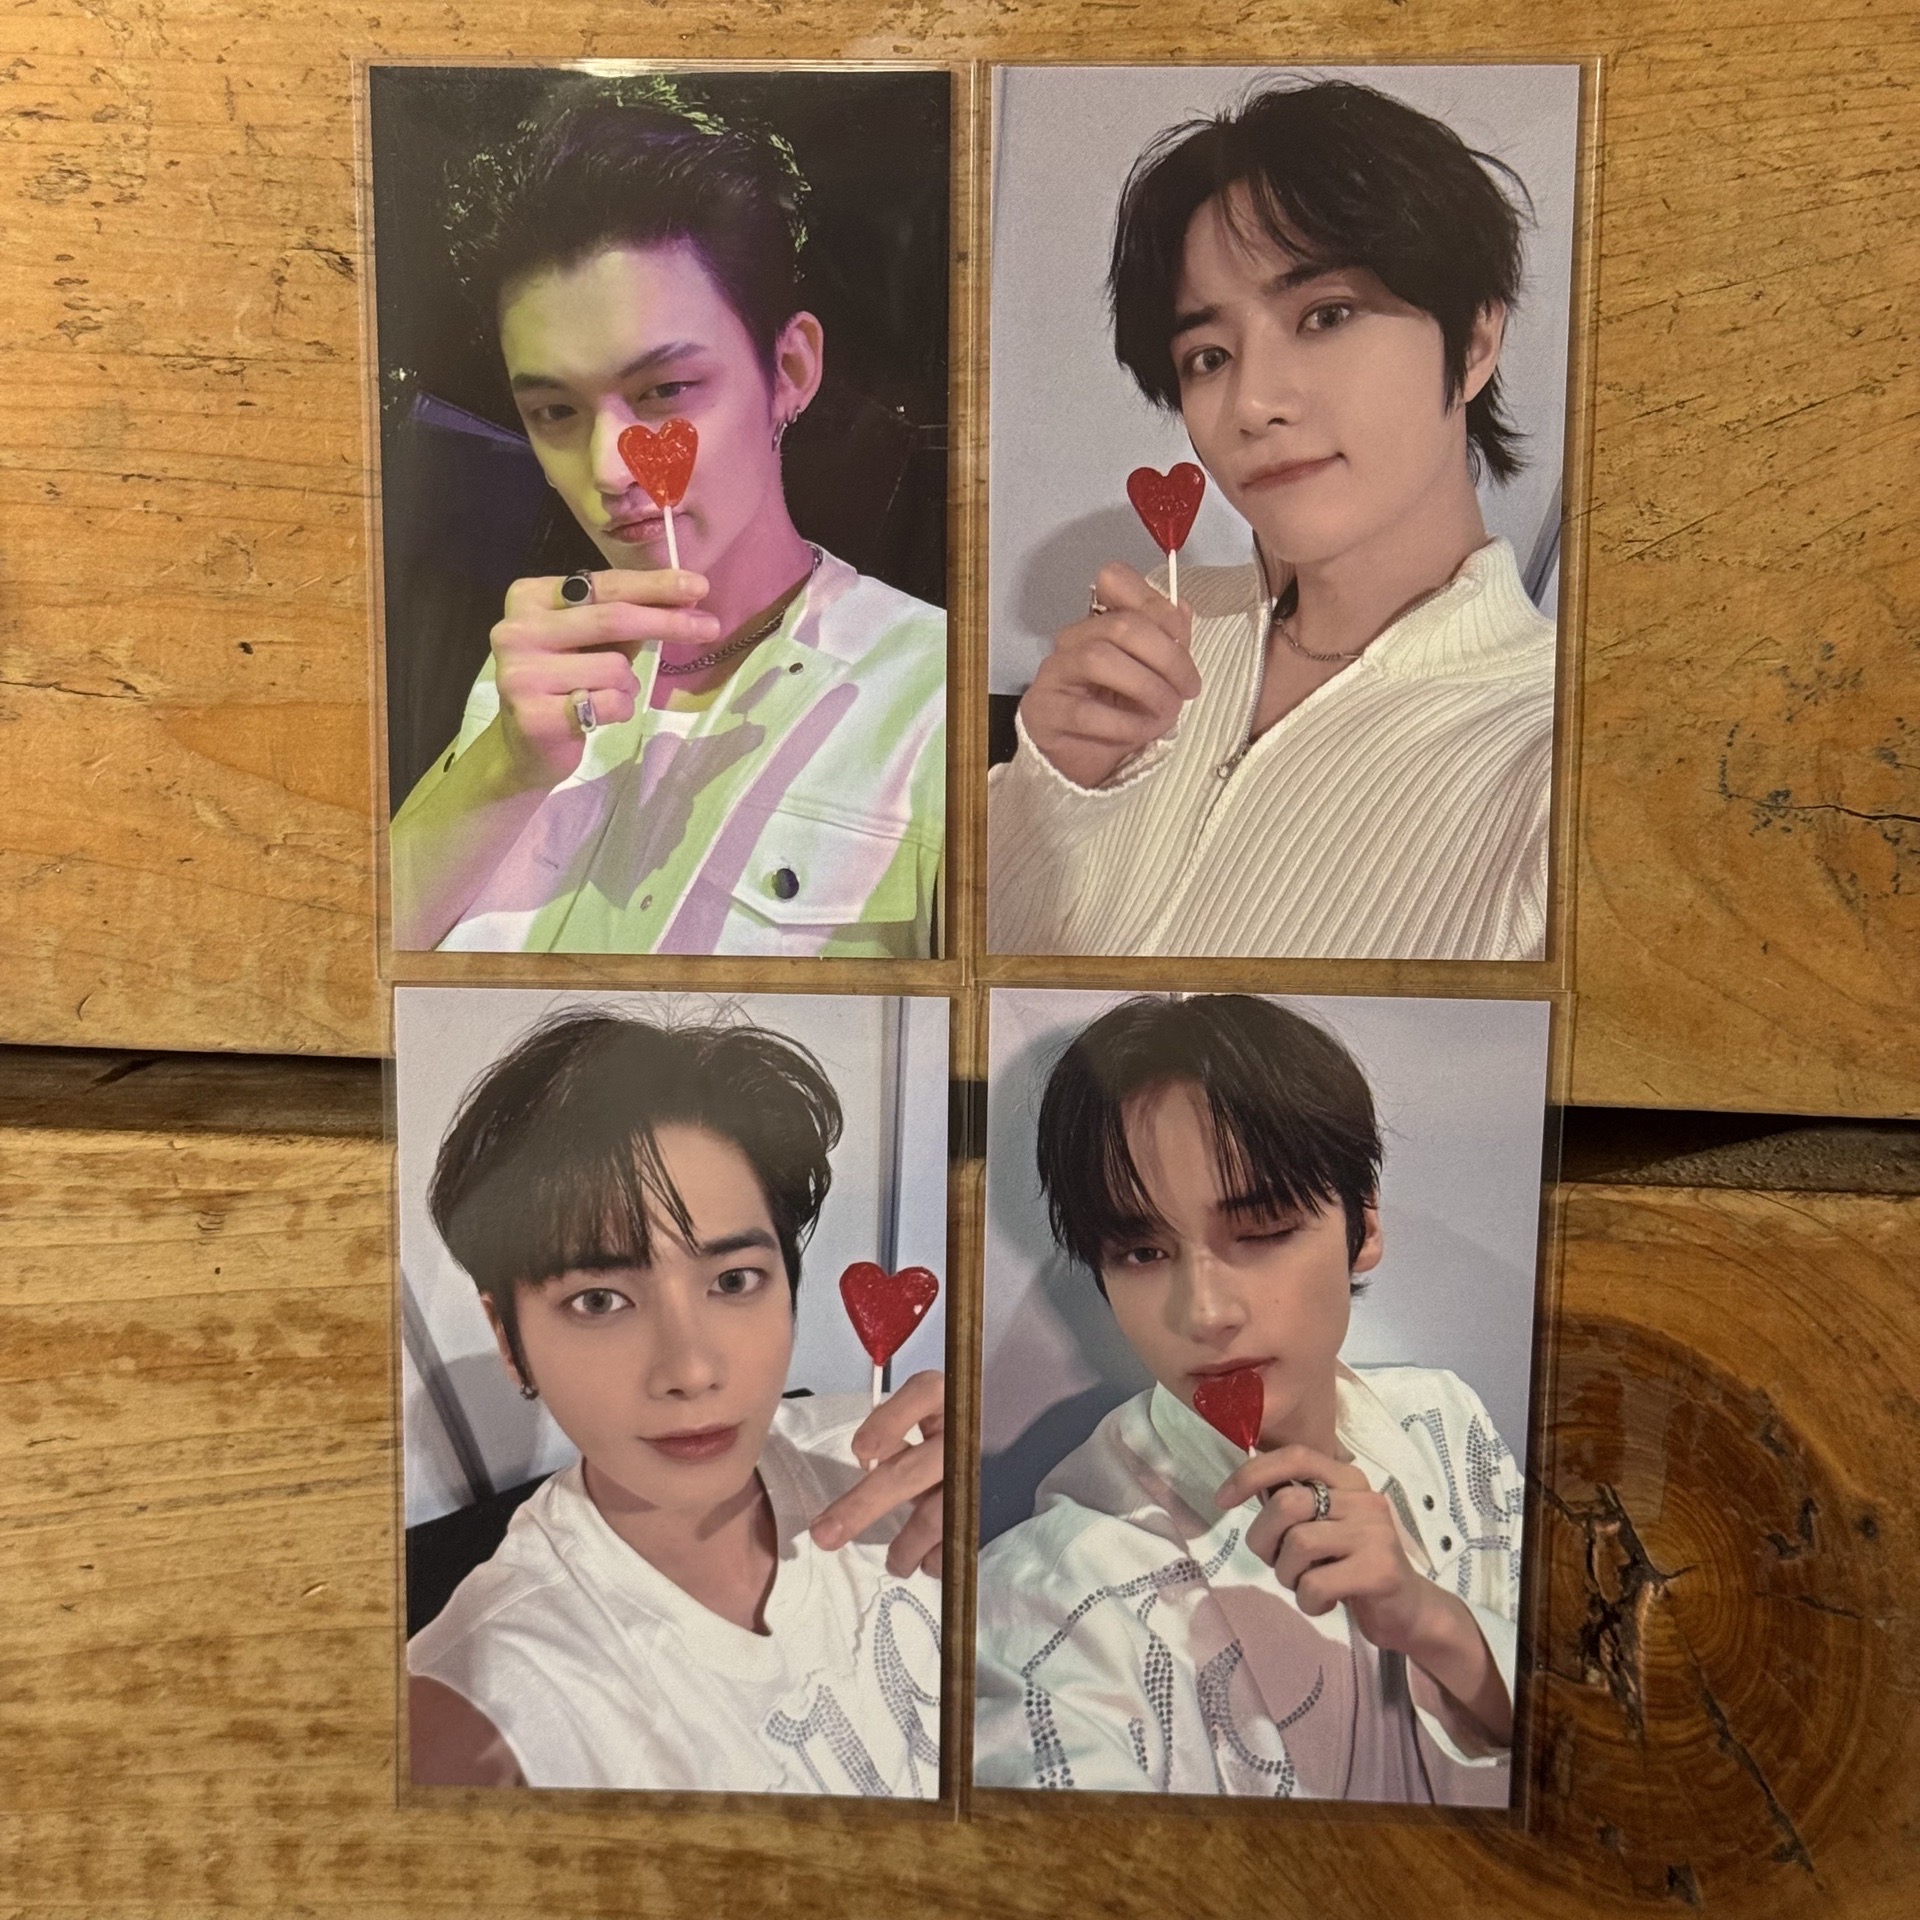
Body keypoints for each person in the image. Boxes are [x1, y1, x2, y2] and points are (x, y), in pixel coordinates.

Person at [988, 80, 1556, 961]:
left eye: (1326, 315)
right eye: (1209, 356)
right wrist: (1050, 788)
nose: (1252, 402)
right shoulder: (1161, 632)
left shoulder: (1557, 754)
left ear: (1475, 340)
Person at [390, 86, 946, 956]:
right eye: (555, 411)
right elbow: (352, 960)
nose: (611, 469)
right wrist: (505, 765)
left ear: (791, 369)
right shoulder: (532, 665)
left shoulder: (930, 693)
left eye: (665, 390)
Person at [973, 994, 1524, 1801]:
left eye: (1261, 1230)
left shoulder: (1446, 1422)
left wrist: (1439, 1626)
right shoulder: (1056, 1590)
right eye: (1142, 1251)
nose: (1205, 1314)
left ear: (1363, 1226)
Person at [407, 1011, 945, 1794]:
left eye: (733, 1281)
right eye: (598, 1300)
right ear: (508, 1335)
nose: (690, 1370)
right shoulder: (491, 1696)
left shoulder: (893, 1464)